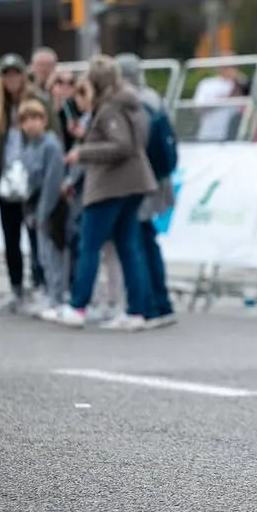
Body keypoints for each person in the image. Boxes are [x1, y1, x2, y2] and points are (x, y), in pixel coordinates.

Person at [40, 55, 157, 331]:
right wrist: (87, 133)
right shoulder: (128, 105)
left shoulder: (110, 108)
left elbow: (121, 145)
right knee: (129, 247)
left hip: (110, 185)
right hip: (135, 182)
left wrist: (82, 152)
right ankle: (136, 311)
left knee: (90, 245)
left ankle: (78, 306)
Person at [0, 53, 58, 315]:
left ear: (24, 75)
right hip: (7, 181)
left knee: (36, 237)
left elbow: (53, 135)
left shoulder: (37, 102)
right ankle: (16, 288)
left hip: (32, 183)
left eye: (16, 74)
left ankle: (41, 286)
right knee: (11, 239)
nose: (11, 80)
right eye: (7, 75)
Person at [117, 53, 177, 328]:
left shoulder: (135, 102)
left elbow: (134, 143)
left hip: (142, 179)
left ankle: (151, 305)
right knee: (147, 239)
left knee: (138, 240)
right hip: (157, 176)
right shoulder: (152, 97)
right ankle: (161, 302)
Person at [17, 99, 68, 313]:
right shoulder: (28, 148)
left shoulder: (51, 146)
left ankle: (58, 295)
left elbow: (52, 180)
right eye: (26, 120)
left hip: (52, 207)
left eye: (36, 118)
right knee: (42, 254)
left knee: (54, 252)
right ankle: (49, 292)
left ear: (44, 121)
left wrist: (45, 210)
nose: (31, 124)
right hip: (34, 205)